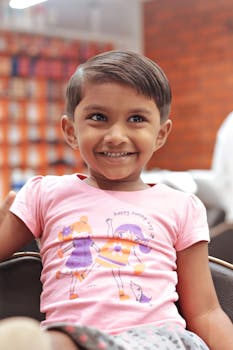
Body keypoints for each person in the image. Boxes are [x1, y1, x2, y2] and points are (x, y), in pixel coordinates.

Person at [0, 50, 232, 350]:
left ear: (160, 134)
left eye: (136, 119)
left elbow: (206, 311)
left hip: (159, 340)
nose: (116, 135)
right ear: (71, 130)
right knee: (43, 341)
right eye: (98, 117)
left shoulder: (182, 206)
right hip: (78, 337)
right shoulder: (44, 194)